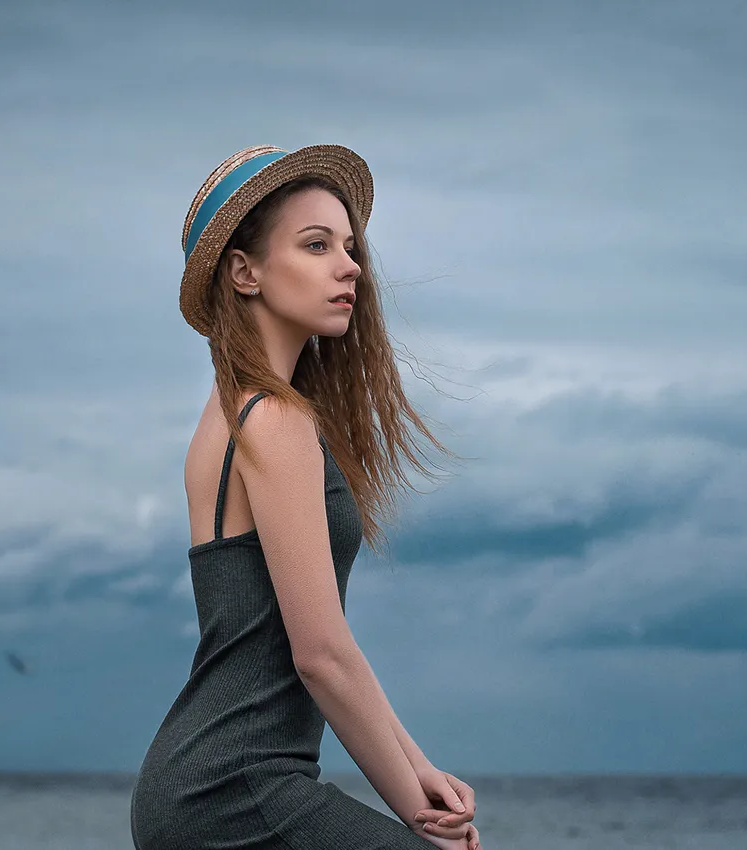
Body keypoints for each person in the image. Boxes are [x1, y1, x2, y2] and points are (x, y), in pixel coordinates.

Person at [130, 145, 482, 850]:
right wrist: (417, 815)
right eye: (316, 245)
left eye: (349, 247)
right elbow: (319, 654)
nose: (349, 266)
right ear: (244, 271)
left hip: (209, 785)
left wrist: (420, 770)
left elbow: (331, 646)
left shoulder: (232, 415)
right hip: (233, 788)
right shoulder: (276, 421)